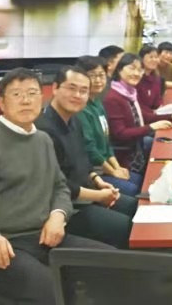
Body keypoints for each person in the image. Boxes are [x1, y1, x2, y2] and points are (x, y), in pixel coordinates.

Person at [0, 68, 112, 305]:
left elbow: (59, 187)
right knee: (58, 292)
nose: (25, 100)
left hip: (44, 238)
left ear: (41, 99)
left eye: (32, 93)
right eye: (16, 94)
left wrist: (58, 215)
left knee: (115, 267)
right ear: (2, 103)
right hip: (6, 244)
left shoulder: (42, 139)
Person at [36, 66, 138, 249]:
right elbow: (57, 183)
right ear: (55, 88)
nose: (77, 95)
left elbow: (84, 161)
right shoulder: (43, 130)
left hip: (87, 193)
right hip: (66, 207)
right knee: (127, 228)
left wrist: (98, 180)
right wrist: (98, 195)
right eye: (71, 88)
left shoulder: (74, 120)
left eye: (83, 91)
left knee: (135, 207)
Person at [105, 53, 172, 177]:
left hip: (137, 148)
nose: (136, 73)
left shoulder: (129, 93)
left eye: (139, 70)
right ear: (119, 70)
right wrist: (151, 127)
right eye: (132, 68)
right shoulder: (113, 98)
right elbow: (120, 134)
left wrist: (171, 116)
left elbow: (144, 117)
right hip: (125, 159)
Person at [75, 55, 142, 196]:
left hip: (106, 166)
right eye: (92, 76)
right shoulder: (81, 108)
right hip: (94, 172)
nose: (98, 80)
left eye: (101, 75)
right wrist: (112, 172)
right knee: (135, 189)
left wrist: (117, 167)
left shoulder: (97, 103)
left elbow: (106, 142)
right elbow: (90, 149)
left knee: (141, 181)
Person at [136, 44, 164, 111]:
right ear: (141, 58)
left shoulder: (157, 79)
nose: (154, 60)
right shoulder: (136, 78)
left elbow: (158, 102)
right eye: (151, 57)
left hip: (153, 113)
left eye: (156, 57)